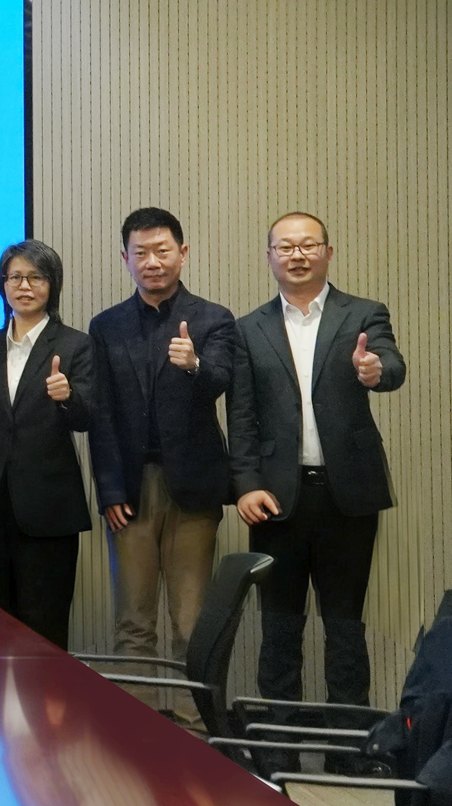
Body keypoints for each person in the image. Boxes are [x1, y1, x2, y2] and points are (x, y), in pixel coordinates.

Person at [229, 212, 406, 709]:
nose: (297, 255)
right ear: (269, 257)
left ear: (328, 252)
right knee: (279, 627)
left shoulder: (364, 313)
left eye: (308, 245)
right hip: (274, 497)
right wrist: (245, 483)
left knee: (345, 625)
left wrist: (375, 370)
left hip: (346, 493)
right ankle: (279, 737)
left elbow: (392, 364)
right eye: (285, 247)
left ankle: (349, 739)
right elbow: (241, 415)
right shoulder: (248, 328)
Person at [86, 206, 236, 715]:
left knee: (192, 622)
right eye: (141, 252)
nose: (152, 261)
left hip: (194, 489)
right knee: (133, 621)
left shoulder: (214, 318)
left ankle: (197, 728)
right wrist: (110, 490)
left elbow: (223, 381)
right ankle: (138, 730)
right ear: (125, 258)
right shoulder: (106, 326)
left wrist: (194, 365)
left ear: (183, 253)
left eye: (162, 250)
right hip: (130, 491)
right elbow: (102, 415)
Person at [0, 240, 96, 649]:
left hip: (48, 510)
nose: (24, 286)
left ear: (53, 284)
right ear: (2, 284)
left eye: (36, 277)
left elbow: (89, 419)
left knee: (44, 627)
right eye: (15, 277)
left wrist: (68, 398)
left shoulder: (76, 345)